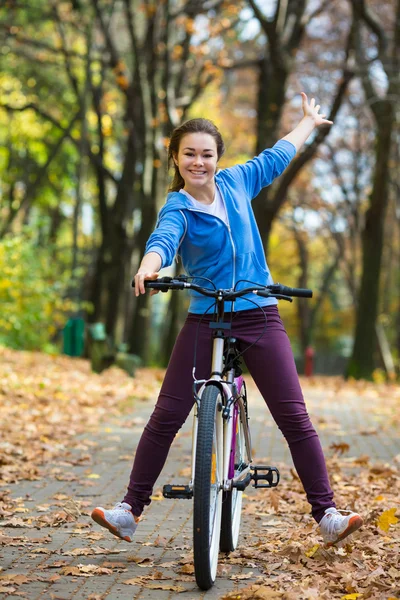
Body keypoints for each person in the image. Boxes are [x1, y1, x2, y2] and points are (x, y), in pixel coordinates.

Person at [91, 93, 363, 547]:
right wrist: (149, 265)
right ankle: (128, 511)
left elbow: (278, 155)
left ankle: (327, 514)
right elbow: (163, 240)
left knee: (294, 417)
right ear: (176, 159)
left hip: (259, 314)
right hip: (205, 317)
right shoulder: (177, 207)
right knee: (166, 415)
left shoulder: (238, 181)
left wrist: (308, 123)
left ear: (217, 157)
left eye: (207, 154)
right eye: (189, 154)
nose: (199, 162)